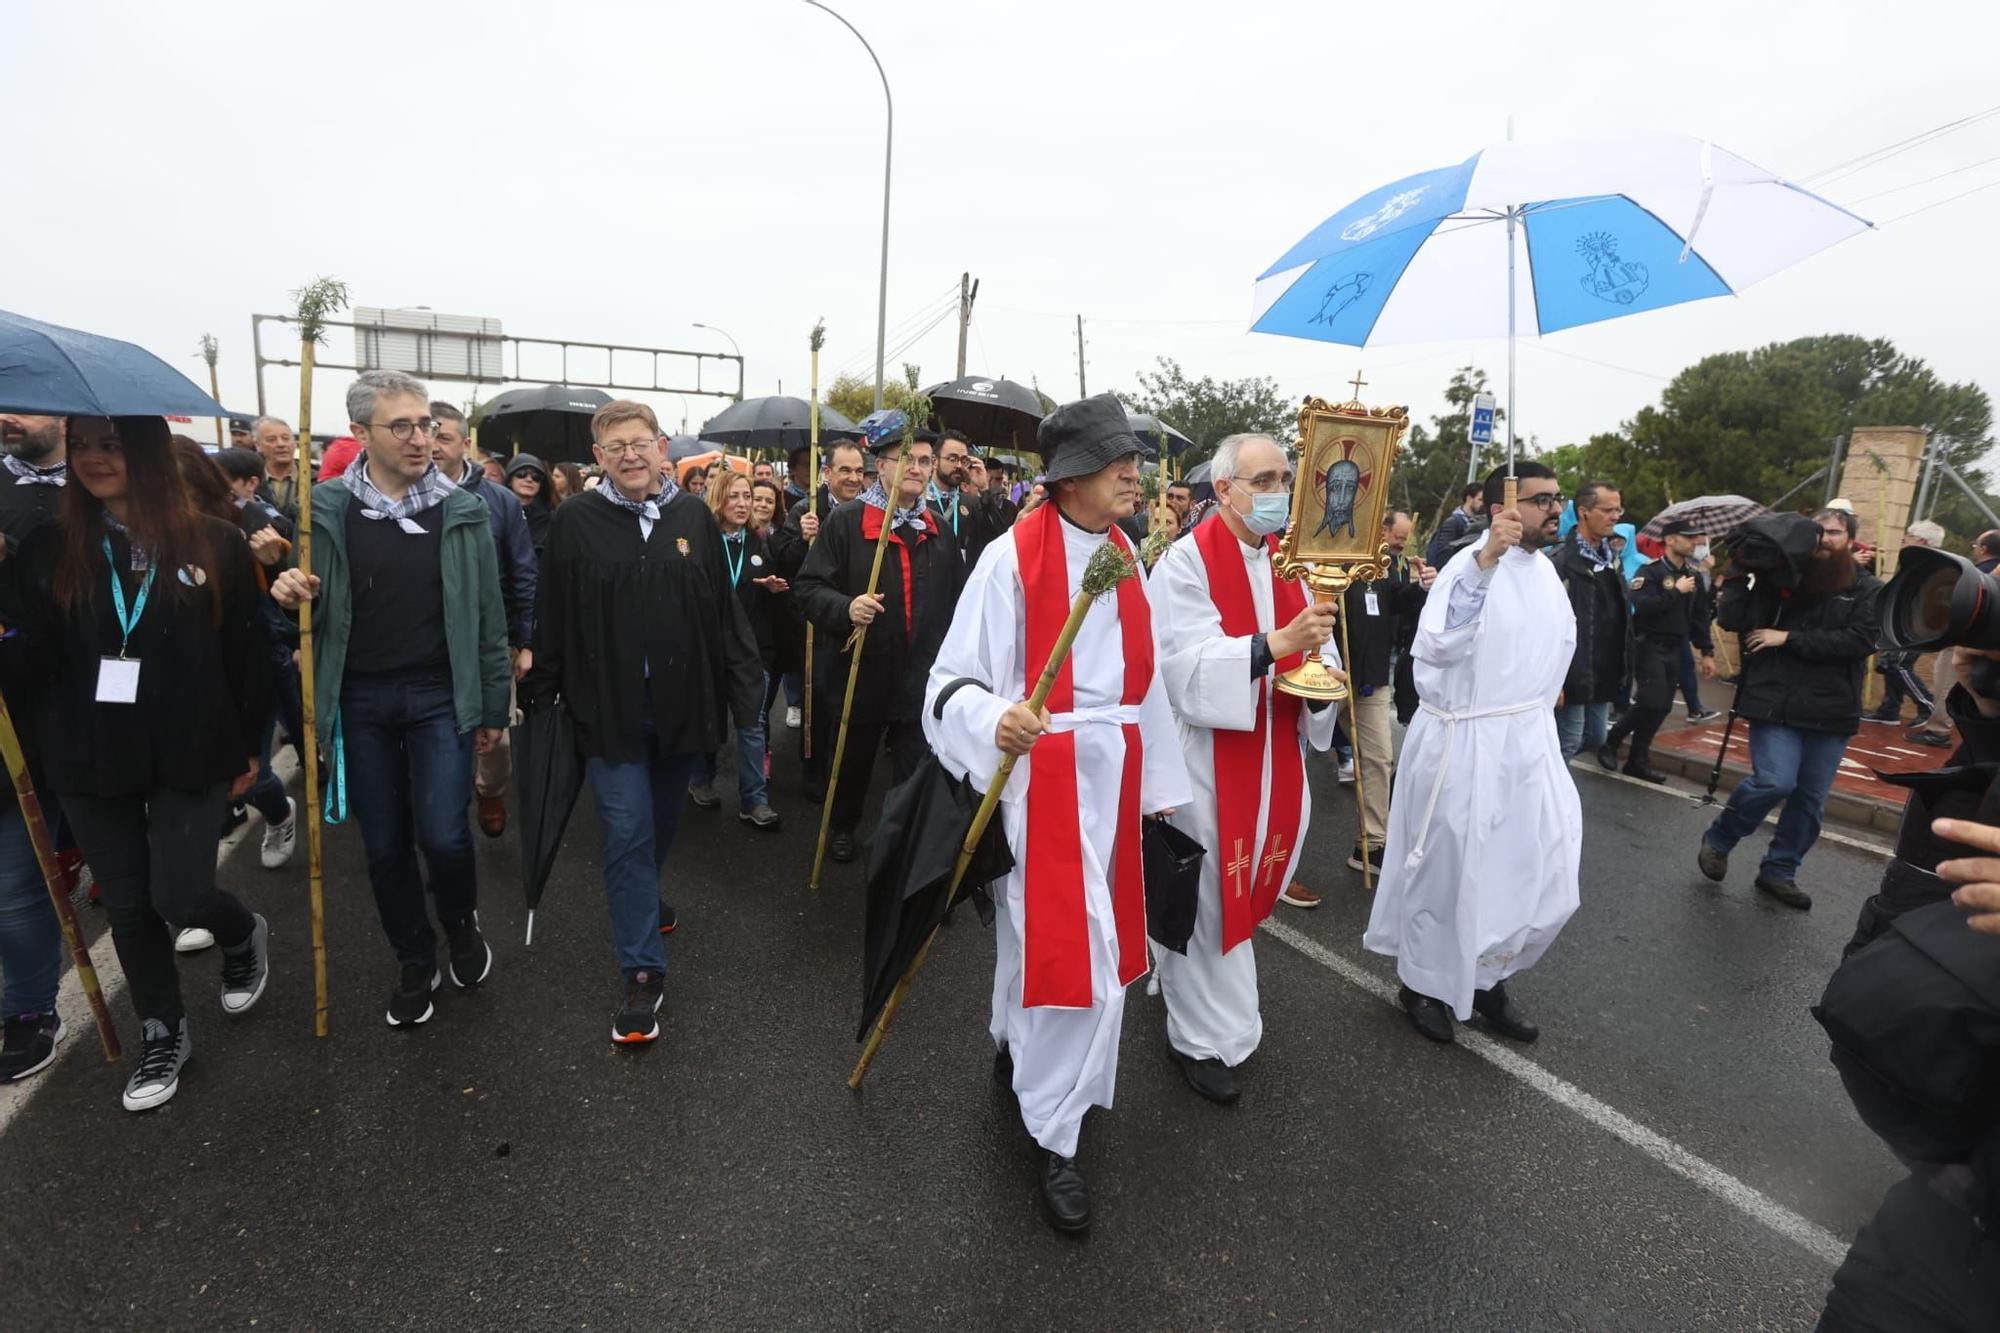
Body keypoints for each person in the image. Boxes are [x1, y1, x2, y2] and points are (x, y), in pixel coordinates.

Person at [923, 391, 1191, 1233]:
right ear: (1069, 477)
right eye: (1119, 460)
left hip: (1111, 778)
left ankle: (1014, 1040)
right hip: (1045, 778)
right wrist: (991, 717)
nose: (1134, 473)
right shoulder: (1009, 559)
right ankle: (1056, 1130)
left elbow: (1138, 687)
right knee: (1078, 960)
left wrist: (1159, 791)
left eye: (1134, 459)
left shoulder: (1124, 555)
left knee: (1037, 938)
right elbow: (948, 684)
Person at [0, 415, 271, 1111]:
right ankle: (163, 1027)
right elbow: (30, 659)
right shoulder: (45, 549)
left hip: (192, 743)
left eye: (112, 445)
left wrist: (249, 743)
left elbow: (248, 650)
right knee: (125, 899)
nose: (93, 459)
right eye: (83, 445)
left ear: (147, 452)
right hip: (88, 750)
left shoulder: (216, 541)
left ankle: (240, 930)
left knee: (177, 893)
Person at [270, 370, 509, 1026]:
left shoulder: (463, 509)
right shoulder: (322, 511)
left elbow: (488, 618)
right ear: (359, 433)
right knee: (383, 844)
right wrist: (290, 589)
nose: (419, 438)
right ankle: (413, 954)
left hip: (440, 695)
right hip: (361, 699)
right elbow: (304, 602)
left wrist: (493, 707)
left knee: (444, 834)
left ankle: (460, 920)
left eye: (426, 424)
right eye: (400, 425)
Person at [521, 401, 761, 1044]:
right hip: (608, 709)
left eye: (641, 442)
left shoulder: (692, 519)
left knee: (656, 824)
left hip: (682, 708)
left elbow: (720, 611)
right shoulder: (575, 521)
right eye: (615, 445)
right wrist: (542, 693)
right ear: (598, 458)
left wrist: (743, 696)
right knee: (625, 830)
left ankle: (645, 899)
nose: (630, 454)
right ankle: (642, 972)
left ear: (662, 451)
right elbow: (554, 612)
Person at [1150, 432, 1338, 1103]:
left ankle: (1184, 982)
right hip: (1209, 759)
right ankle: (1200, 1038)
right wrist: (1272, 645)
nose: (1277, 493)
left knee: (1248, 882)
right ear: (1223, 489)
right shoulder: (1185, 563)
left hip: (1274, 759)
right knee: (1206, 900)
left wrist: (1323, 667)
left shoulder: (1295, 564)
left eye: (1283, 478)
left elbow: (1322, 651)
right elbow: (1181, 666)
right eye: (1261, 480)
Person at [1364, 461, 1580, 1045]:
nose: (1554, 508)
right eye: (1539, 500)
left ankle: (1488, 976)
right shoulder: (1469, 564)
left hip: (1525, 744)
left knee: (1532, 871)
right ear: (1499, 507)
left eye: (1557, 498)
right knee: (1449, 875)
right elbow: (1437, 644)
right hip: (1465, 744)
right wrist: (1485, 560)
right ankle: (1424, 983)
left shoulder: (1545, 573)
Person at [1696, 508, 1881, 911]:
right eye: (1818, 532)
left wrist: (1789, 637)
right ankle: (1721, 838)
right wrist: (1739, 572)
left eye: (1834, 532)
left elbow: (1860, 640)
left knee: (1810, 799)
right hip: (1774, 700)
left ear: (1850, 539)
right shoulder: (1777, 576)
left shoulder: (1867, 588)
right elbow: (1732, 619)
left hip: (1832, 710)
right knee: (1775, 782)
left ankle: (1779, 871)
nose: (1824, 540)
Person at [794, 415, 960, 864]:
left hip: (918, 675)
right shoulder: (847, 522)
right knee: (852, 762)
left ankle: (900, 841)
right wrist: (846, 608)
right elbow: (808, 589)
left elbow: (954, 601)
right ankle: (843, 825)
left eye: (926, 460)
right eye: (907, 458)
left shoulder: (938, 529)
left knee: (912, 770)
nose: (918, 468)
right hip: (860, 671)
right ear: (880, 466)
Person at [172, 438, 298, 887]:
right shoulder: (139, 533)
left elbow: (292, 589)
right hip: (179, 677)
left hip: (248, 664)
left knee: (251, 772)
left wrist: (273, 561)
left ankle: (280, 812)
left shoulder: (244, 519)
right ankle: (193, 896)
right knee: (190, 781)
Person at [0, 413, 70, 1082]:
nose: (7, 414)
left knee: (17, 886)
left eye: (20, 400)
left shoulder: (98, 490)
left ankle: (28, 1010)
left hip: (55, 720)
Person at [432, 403, 538, 838]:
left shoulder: (500, 501)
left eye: (444, 437)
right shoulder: (400, 497)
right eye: (427, 433)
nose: (432, 445)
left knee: (496, 736)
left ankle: (489, 790)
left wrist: (527, 641)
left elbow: (524, 572)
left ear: (465, 444)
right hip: (429, 639)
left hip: (489, 640)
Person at [1336, 509, 1434, 882]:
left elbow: (1400, 602)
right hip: (1328, 678)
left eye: (1406, 538)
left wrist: (1422, 586)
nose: (1401, 543)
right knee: (1293, 757)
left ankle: (1371, 844)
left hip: (1371, 682)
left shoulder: (1388, 567)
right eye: (1398, 535)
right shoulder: (1336, 557)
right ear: (1379, 528)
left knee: (1378, 760)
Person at [770, 441, 868, 798]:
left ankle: (845, 772)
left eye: (859, 470)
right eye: (845, 470)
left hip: (856, 618)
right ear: (827, 474)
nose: (854, 478)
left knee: (851, 702)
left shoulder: (869, 510)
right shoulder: (806, 510)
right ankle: (814, 771)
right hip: (815, 624)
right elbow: (784, 562)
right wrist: (802, 538)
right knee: (819, 702)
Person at [688, 471, 782, 829]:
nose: (743, 504)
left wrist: (772, 586)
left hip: (751, 649)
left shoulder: (761, 541)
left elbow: (780, 582)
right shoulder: (702, 541)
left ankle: (755, 800)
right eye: (734, 497)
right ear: (718, 499)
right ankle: (700, 779)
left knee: (752, 723)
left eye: (747, 496)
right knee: (707, 718)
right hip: (708, 647)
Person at [1598, 517, 1715, 782]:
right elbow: (1640, 604)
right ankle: (1612, 741)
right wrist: (1676, 592)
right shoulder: (1650, 572)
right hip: (1649, 644)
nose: (1693, 541)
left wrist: (1707, 651)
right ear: (1671, 539)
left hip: (1677, 647)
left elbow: (1699, 617)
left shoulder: (1692, 576)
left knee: (1662, 707)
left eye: (1695, 536)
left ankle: (1638, 760)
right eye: (1687, 536)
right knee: (1650, 701)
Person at [1551, 481, 1630, 762]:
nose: (1616, 516)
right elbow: (1547, 624)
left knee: (1596, 737)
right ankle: (1539, 800)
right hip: (1572, 670)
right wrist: (1553, 678)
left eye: (1618, 509)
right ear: (1584, 512)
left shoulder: (1611, 558)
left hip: (1602, 671)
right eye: (1608, 509)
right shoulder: (1561, 561)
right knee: (1567, 742)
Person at [1908, 530, 2000, 749]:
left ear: (1984, 549)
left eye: (1976, 545)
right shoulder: (1988, 577)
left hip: (1962, 643)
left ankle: (1938, 731)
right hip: (1971, 659)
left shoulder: (1981, 578)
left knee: (1947, 682)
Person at [1865, 519, 1944, 727]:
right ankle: (1889, 710)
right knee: (1890, 663)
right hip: (1903, 621)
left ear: (1921, 541)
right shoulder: (1918, 563)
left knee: (1899, 664)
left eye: (1907, 536)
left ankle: (1927, 705)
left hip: (1915, 624)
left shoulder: (1931, 564)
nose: (1903, 539)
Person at [1424, 480, 1486, 568]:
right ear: (1469, 499)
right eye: (1480, 500)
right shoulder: (1454, 522)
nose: (1483, 504)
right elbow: (1442, 556)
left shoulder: (1479, 523)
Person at [252, 416, 301, 526]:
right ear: (258, 446)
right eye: (271, 440)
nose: (280, 444)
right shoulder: (250, 482)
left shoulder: (314, 480)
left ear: (295, 443)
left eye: (286, 438)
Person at [506, 454, 555, 554]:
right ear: (510, 480)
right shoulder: (497, 513)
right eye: (521, 474)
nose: (529, 480)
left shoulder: (550, 519)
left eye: (536, 477)